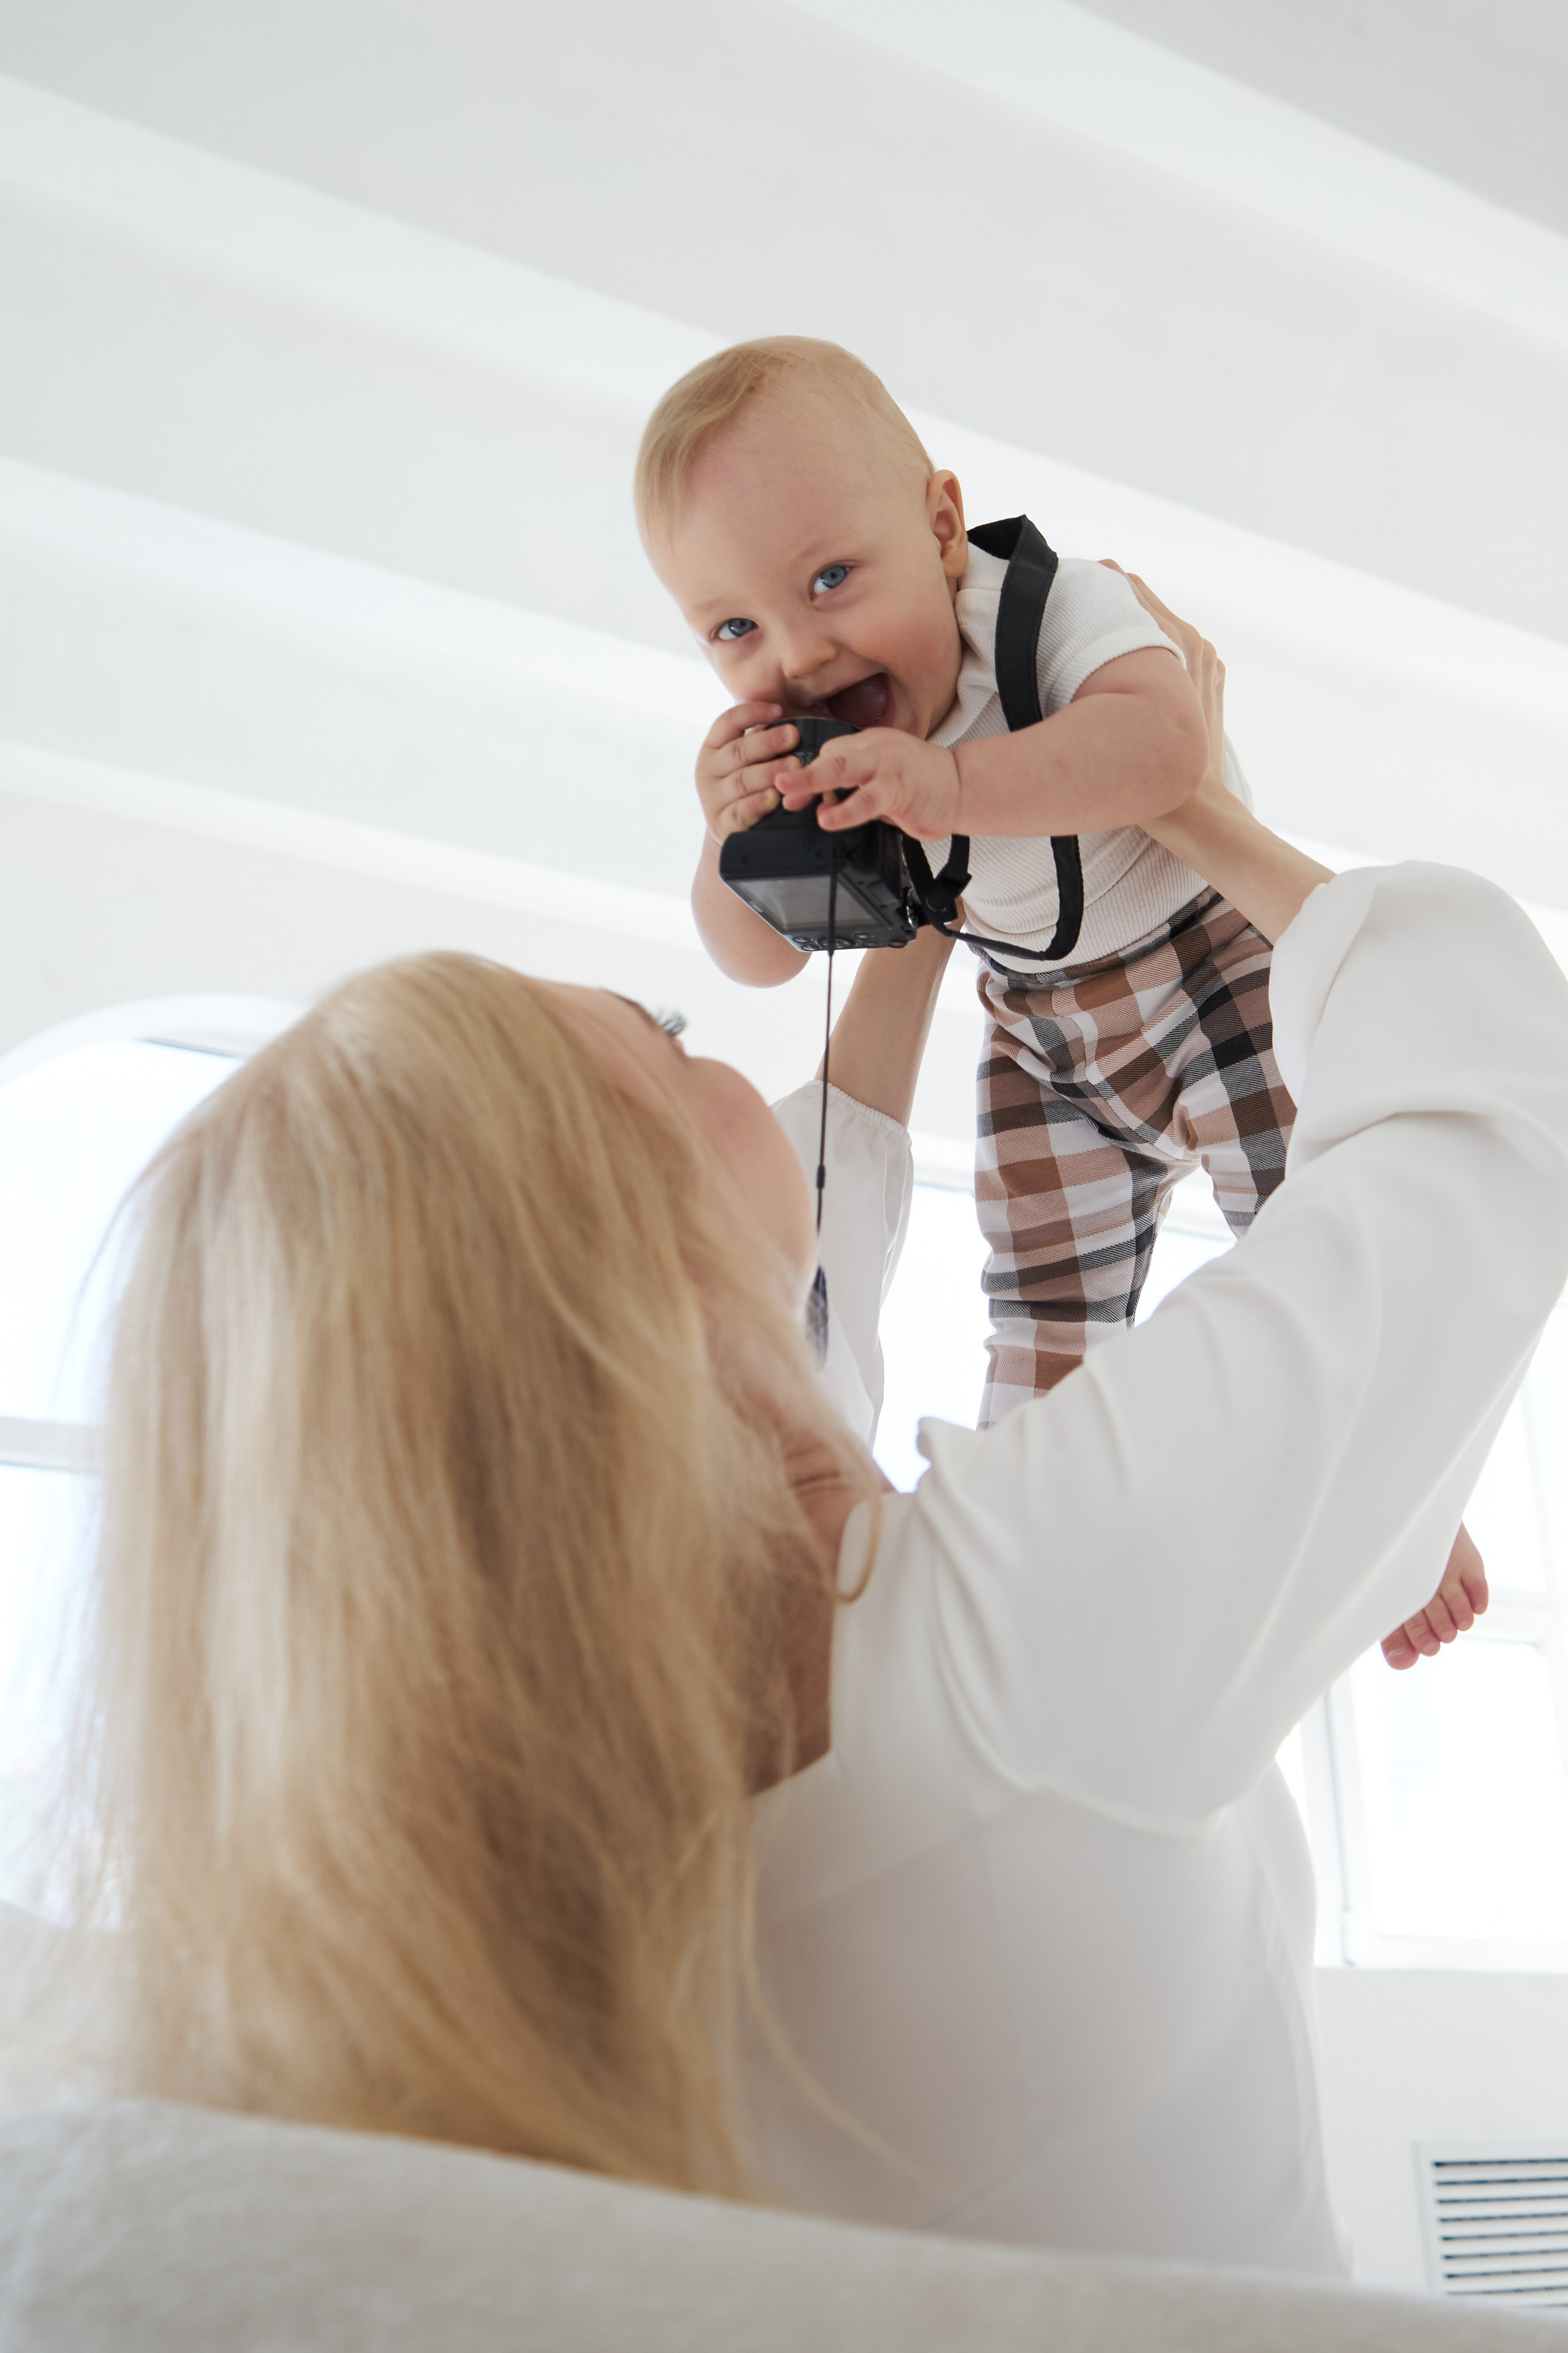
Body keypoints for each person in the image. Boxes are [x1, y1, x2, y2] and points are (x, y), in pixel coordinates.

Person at [20, 602, 1567, 2273]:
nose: (725, 1073)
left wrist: (937, 862)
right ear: (631, 1259)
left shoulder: (542, 1883)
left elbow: (824, 1225)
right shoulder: (1013, 1645)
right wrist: (1177, 790)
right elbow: (1480, 1100)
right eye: (667, 1038)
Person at [635, 332, 1483, 1649]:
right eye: (734, 628)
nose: (795, 656)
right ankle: (1024, 1549)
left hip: (1202, 969)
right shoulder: (804, 744)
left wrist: (953, 790)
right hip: (1038, 1032)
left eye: (830, 579)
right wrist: (725, 842)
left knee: (1300, 1231)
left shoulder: (1046, 612)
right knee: (1037, 1298)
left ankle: (1402, 1512)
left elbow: (1162, 742)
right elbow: (761, 959)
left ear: (938, 525)